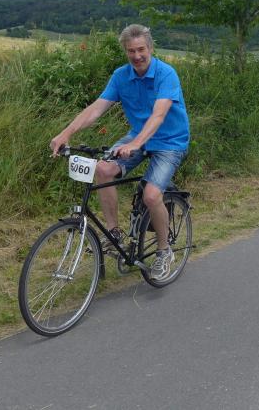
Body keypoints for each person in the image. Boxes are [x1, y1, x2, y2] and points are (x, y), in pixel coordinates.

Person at [49, 24, 190, 280]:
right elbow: (96, 109)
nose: (137, 56)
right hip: (137, 136)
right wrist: (66, 133)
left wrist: (136, 144)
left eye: (141, 49)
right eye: (131, 51)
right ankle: (114, 234)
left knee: (151, 195)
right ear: (125, 51)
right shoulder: (121, 76)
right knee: (103, 169)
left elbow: (158, 116)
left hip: (169, 141)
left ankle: (164, 251)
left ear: (150, 48)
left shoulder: (166, 74)